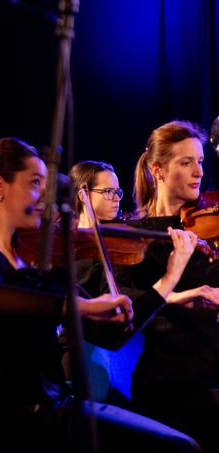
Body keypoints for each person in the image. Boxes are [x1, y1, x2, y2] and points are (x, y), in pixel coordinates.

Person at [0, 137, 201, 452]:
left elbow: (113, 335)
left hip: (57, 406)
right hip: (12, 420)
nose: (44, 195)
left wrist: (168, 279)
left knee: (180, 444)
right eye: (34, 183)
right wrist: (81, 306)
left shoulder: (38, 262)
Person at [126, 120, 219, 452]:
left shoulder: (210, 225)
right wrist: (179, 296)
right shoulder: (136, 239)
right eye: (186, 162)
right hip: (172, 380)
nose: (198, 171)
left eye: (201, 162)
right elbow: (129, 304)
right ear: (158, 170)